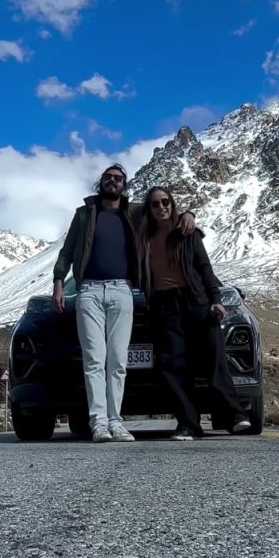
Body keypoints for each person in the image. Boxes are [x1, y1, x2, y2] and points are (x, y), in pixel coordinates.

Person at [53, 165, 196, 443]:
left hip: (122, 290)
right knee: (94, 360)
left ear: (124, 185)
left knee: (118, 361)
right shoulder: (84, 214)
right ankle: (99, 423)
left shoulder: (134, 213)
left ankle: (116, 422)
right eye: (108, 177)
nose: (113, 182)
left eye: (118, 179)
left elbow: (164, 210)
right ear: (101, 182)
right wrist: (59, 281)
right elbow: (68, 250)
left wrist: (188, 214)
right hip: (89, 291)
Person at [139, 185, 251, 441]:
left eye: (165, 202)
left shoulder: (188, 233)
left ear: (172, 203)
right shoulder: (143, 237)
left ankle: (233, 416)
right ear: (149, 209)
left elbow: (204, 268)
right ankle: (189, 424)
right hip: (164, 306)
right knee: (173, 365)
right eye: (155, 204)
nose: (161, 207)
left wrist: (215, 299)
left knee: (213, 356)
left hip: (195, 301)